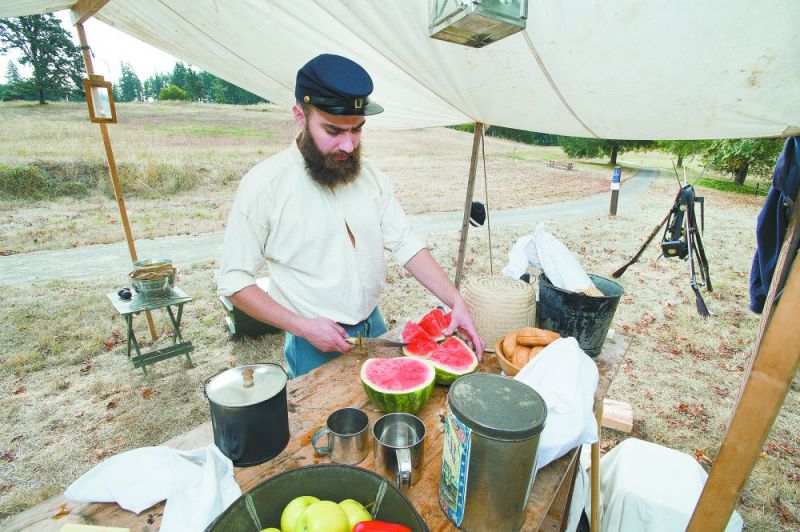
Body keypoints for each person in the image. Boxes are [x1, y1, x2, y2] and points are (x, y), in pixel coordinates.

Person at [217, 53, 484, 378]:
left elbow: (406, 243)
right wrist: (301, 326)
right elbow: (233, 280)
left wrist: (456, 301)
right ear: (300, 116)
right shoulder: (264, 187)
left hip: (375, 324)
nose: (348, 145)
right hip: (312, 340)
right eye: (333, 130)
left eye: (357, 130)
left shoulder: (371, 177)